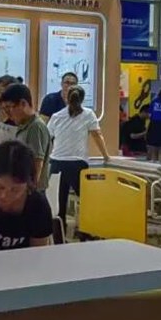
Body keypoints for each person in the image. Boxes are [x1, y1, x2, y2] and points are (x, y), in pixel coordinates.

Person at [47, 86, 109, 223]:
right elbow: (97, 135)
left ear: (66, 98)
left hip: (57, 163)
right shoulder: (88, 114)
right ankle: (88, 229)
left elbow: (47, 139)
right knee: (87, 200)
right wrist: (106, 156)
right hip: (77, 164)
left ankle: (59, 232)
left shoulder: (56, 116)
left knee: (58, 205)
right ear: (82, 99)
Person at [0, 83, 53, 191]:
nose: (8, 114)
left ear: (23, 103)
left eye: (9, 108)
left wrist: (29, 192)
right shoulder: (23, 126)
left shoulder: (35, 127)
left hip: (30, 191)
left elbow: (37, 164)